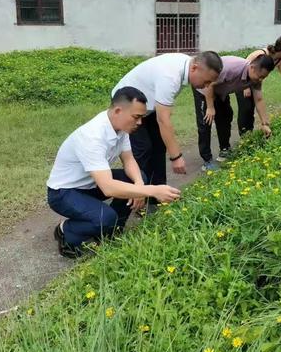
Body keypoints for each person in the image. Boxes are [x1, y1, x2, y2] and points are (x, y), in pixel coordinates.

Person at [47, 87, 181, 258]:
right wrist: (152, 190)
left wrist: (140, 186)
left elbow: (129, 159)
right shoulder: (92, 136)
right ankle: (66, 232)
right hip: (64, 193)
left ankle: (111, 233)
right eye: (136, 117)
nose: (140, 122)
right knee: (106, 218)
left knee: (139, 178)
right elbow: (108, 188)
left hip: (91, 184)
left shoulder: (120, 128)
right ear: (118, 111)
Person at [112, 51, 223, 187]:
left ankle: (157, 195)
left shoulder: (186, 65)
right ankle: (132, 196)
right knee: (142, 149)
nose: (207, 86)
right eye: (206, 81)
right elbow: (164, 120)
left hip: (148, 105)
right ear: (195, 68)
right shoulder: (171, 76)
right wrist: (176, 157)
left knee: (158, 146)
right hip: (127, 104)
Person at [193, 54, 275, 171]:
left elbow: (259, 99)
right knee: (206, 121)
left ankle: (224, 149)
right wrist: (210, 107)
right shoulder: (232, 68)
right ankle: (207, 160)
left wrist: (264, 124)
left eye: (264, 77)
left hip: (221, 91)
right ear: (252, 68)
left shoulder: (256, 78)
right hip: (204, 87)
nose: (260, 80)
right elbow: (210, 84)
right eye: (260, 76)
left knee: (226, 116)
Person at [237, 35, 281, 136]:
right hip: (242, 80)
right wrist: (246, 86)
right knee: (245, 109)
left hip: (256, 82)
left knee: (252, 109)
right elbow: (245, 65)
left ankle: (249, 135)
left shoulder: (280, 60)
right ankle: (243, 136)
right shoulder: (261, 53)